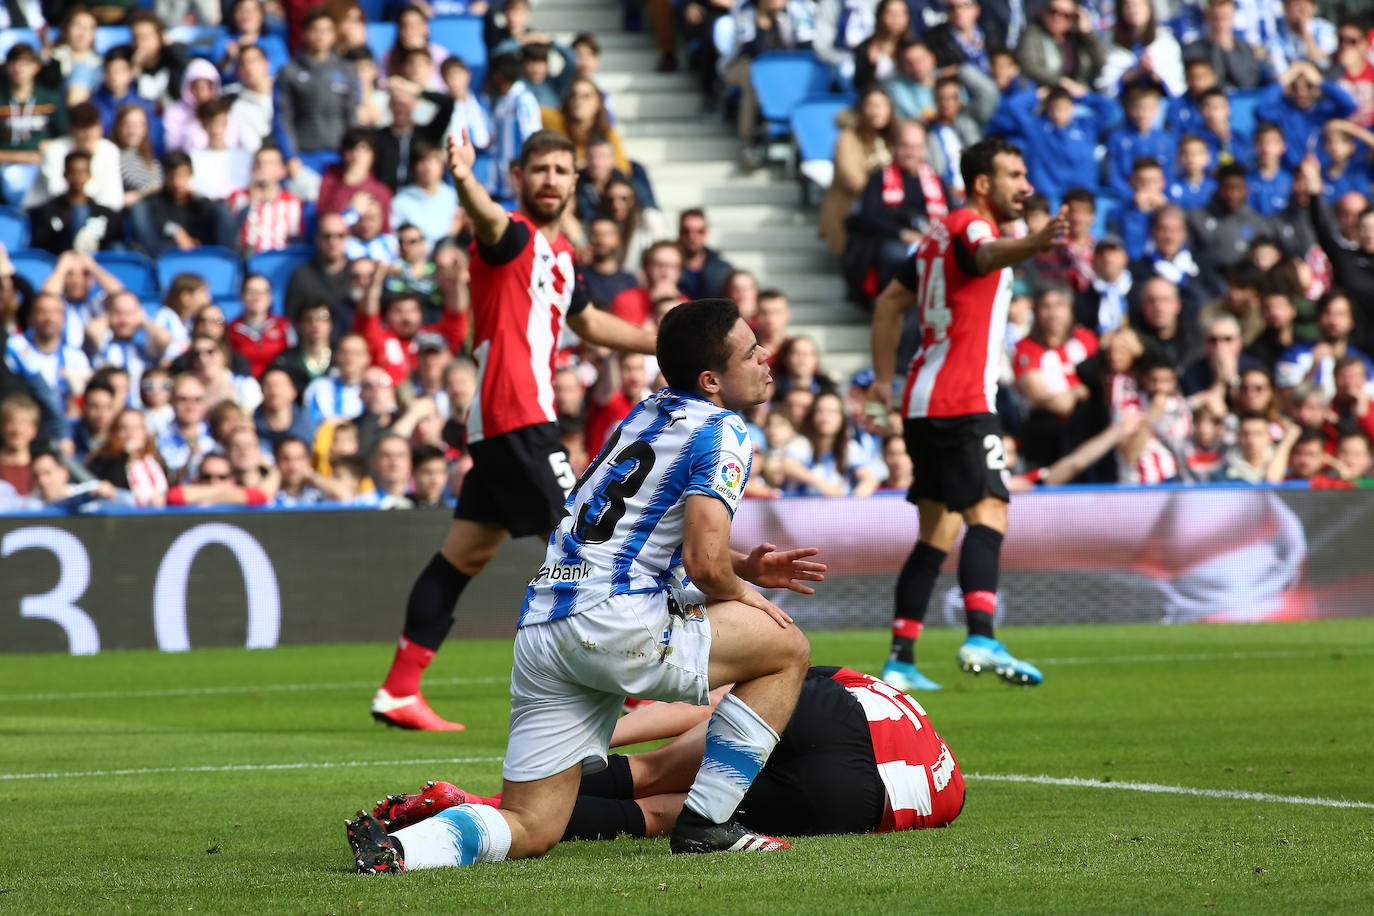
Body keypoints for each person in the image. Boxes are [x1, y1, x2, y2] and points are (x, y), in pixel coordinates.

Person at [345, 297, 823, 871]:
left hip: (546, 627)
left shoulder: (646, 413)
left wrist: (742, 566)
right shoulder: (724, 430)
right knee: (787, 648)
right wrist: (744, 591)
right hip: (613, 619)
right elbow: (703, 564)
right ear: (711, 380)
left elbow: (640, 531)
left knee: (533, 824)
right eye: (752, 351)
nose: (766, 358)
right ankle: (709, 823)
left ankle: (399, 850)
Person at [369, 128, 660, 731]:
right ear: (519, 176)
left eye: (561, 170)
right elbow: (486, 217)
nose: (550, 180)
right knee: (589, 544)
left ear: (576, 181)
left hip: (503, 423)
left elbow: (594, 323)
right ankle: (631, 688)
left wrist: (662, 340)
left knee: (465, 555)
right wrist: (463, 177)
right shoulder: (513, 235)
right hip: (517, 416)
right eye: (540, 170)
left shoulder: (560, 258)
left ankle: (400, 689)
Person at [867, 136, 1067, 692]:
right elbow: (984, 255)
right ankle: (981, 633)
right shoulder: (971, 227)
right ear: (983, 184)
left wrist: (884, 382)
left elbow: (888, 303)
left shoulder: (935, 235)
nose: (1024, 185)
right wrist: (1030, 242)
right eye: (1013, 175)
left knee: (936, 531)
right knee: (990, 512)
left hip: (921, 403)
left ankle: (901, 659)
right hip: (963, 402)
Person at [367, 664, 963, 843]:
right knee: (659, 816)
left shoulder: (867, 692)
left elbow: (717, 700)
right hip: (862, 802)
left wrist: (596, 737)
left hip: (837, 721)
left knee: (650, 772)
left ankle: (499, 802)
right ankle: (475, 809)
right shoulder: (945, 771)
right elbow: (951, 798)